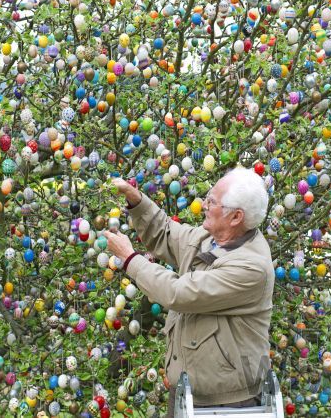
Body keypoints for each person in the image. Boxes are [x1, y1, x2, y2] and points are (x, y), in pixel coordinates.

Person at [103, 167, 274, 417]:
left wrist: (130, 259)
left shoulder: (251, 268)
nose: (204, 204)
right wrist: (136, 200)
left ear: (236, 217)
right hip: (187, 393)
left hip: (227, 404)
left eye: (213, 201)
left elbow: (178, 293)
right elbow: (166, 233)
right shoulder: (210, 238)